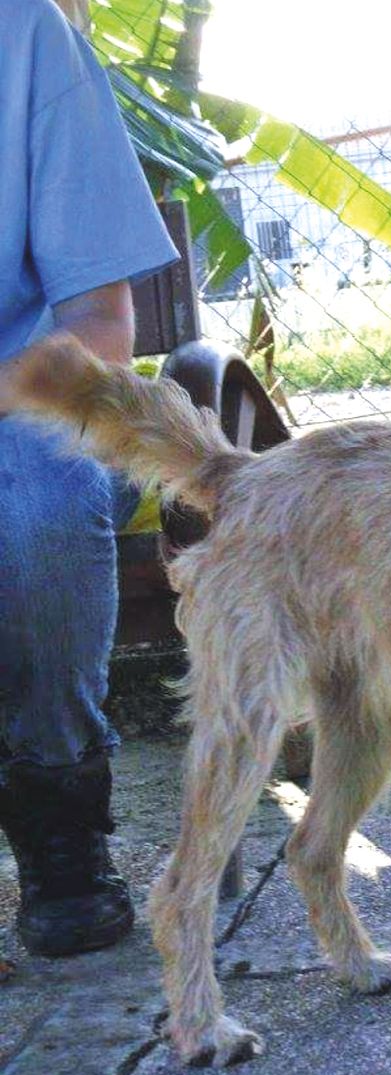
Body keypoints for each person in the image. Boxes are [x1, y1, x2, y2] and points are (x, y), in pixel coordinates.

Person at [0, 0, 179, 956]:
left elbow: (101, 330)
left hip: (25, 409)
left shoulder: (25, 34)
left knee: (34, 500)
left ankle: (58, 805)